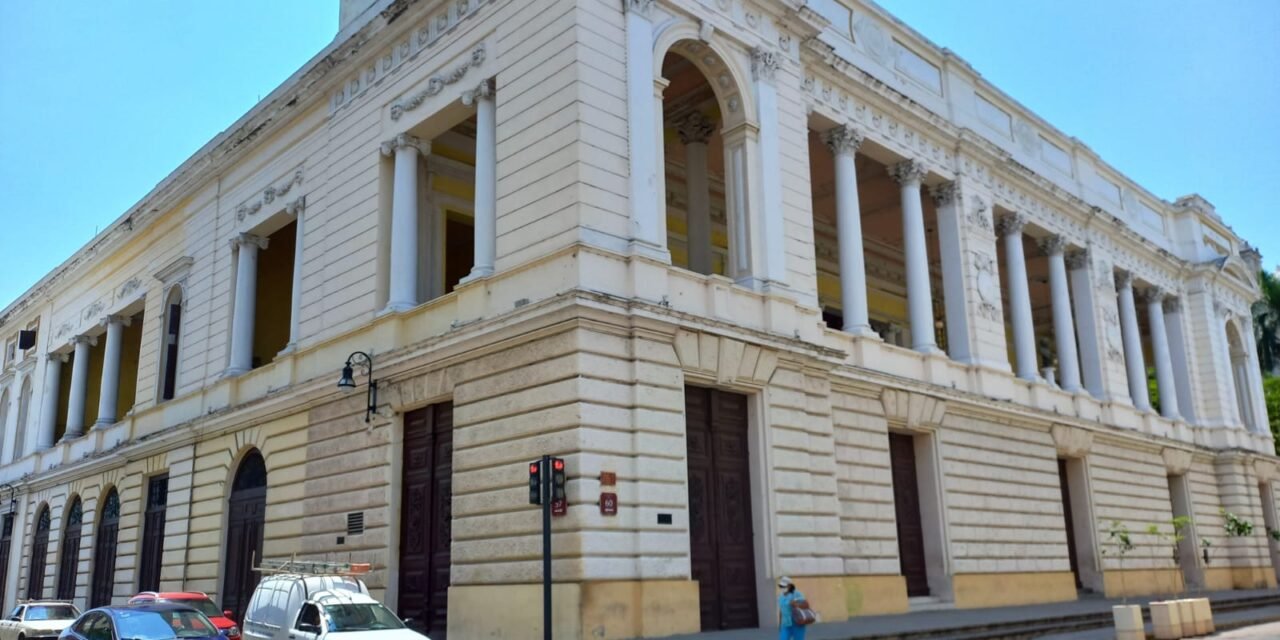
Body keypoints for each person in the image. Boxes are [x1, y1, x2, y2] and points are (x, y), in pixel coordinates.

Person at [777, 576, 807, 640]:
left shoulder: (797, 594)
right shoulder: (780, 596)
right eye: (781, 586)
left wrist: (796, 604)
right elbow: (781, 610)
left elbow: (806, 605)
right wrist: (780, 624)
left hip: (797, 623)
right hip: (785, 624)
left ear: (790, 586)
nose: (782, 588)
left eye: (784, 586)